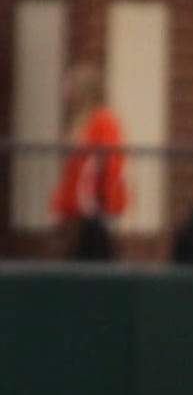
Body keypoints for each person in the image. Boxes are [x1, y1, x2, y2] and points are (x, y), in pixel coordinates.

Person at [49, 62, 128, 259]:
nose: (63, 90)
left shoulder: (103, 120)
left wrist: (102, 201)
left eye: (69, 84)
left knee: (92, 256)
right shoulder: (81, 121)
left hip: (93, 206)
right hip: (80, 207)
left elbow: (109, 160)